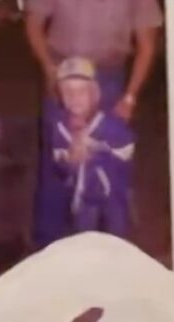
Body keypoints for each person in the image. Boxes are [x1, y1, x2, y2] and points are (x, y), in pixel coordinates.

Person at [23, 0, 162, 248]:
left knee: (108, 167)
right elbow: (33, 23)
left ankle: (108, 244)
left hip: (107, 76)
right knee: (58, 158)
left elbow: (147, 44)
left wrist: (130, 96)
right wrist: (48, 68)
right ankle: (48, 244)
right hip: (63, 70)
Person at [49, 57, 135, 237]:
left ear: (95, 94)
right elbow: (58, 159)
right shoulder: (60, 126)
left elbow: (126, 154)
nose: (74, 97)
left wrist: (96, 154)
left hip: (112, 197)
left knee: (116, 237)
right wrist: (70, 160)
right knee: (83, 237)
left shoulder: (112, 125)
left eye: (82, 91)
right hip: (83, 199)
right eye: (68, 91)